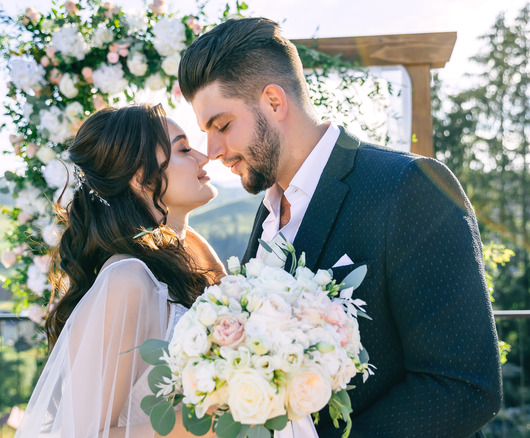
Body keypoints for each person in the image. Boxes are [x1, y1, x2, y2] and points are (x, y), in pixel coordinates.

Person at [178, 17, 503, 437]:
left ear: (274, 102)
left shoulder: (409, 187)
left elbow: (463, 387)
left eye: (222, 126)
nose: (214, 151)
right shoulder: (268, 212)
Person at [15, 104, 223, 437]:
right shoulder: (126, 280)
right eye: (184, 149)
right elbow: (82, 434)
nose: (203, 156)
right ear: (140, 177)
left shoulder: (187, 262)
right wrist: (210, 424)